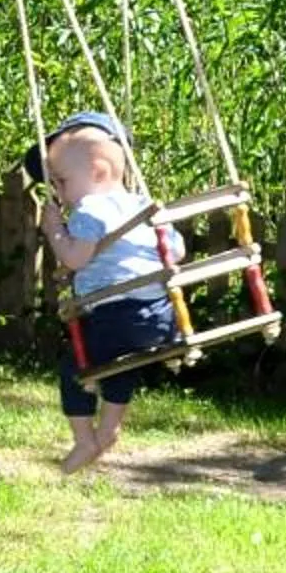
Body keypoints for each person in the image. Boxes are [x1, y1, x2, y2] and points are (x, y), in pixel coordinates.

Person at [33, 112, 181, 474]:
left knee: (75, 369)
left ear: (98, 172)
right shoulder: (141, 204)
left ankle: (85, 439)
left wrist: (55, 231)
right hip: (161, 318)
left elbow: (75, 259)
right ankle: (110, 429)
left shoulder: (90, 209)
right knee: (119, 363)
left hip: (116, 316)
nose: (59, 193)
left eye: (62, 182)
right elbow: (175, 251)